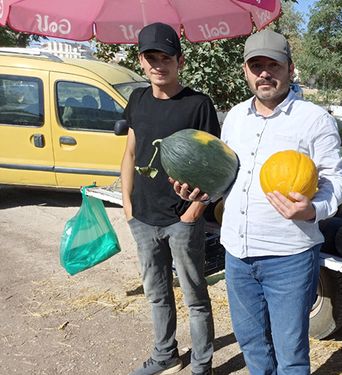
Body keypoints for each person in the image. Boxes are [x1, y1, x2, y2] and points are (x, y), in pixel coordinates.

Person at [174, 29, 342, 374]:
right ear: (246, 71)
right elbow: (226, 177)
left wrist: (314, 209)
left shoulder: (314, 120)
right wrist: (201, 193)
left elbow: (337, 180)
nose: (265, 73)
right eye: (257, 66)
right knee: (253, 345)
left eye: (274, 65)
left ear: (290, 69)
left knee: (291, 354)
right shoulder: (235, 118)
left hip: (289, 257)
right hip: (237, 254)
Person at [121, 22, 220, 375]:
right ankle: (165, 355)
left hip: (182, 219)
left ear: (180, 60)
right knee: (157, 293)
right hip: (143, 218)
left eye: (166, 58)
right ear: (141, 61)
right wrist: (128, 203)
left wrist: (195, 210)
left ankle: (201, 365)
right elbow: (131, 152)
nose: (158, 65)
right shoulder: (137, 100)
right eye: (151, 58)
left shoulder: (198, 104)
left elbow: (215, 166)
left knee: (195, 297)